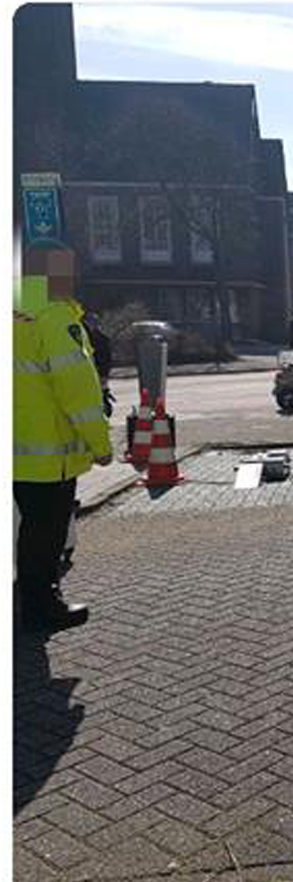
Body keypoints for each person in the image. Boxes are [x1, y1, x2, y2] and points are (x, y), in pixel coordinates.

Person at [14, 244, 114, 633]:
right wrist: (100, 446)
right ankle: (41, 608)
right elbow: (78, 389)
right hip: (46, 454)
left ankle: (27, 597)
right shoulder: (53, 317)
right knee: (45, 533)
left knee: (25, 528)